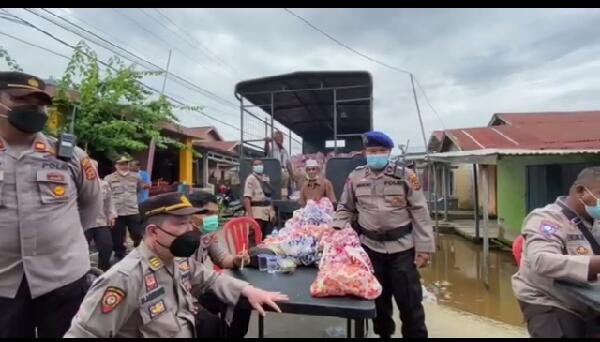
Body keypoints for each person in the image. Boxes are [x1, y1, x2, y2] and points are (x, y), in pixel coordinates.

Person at [64, 192, 288, 338]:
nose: (190, 230)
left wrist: (249, 290)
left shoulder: (178, 259)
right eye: (181, 224)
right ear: (153, 232)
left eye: (191, 222)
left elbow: (211, 278)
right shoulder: (125, 278)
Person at [0, 71, 102, 338]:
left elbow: (91, 204)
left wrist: (60, 240)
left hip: (64, 278)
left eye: (41, 103)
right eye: (22, 99)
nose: (36, 109)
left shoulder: (69, 156)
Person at [332, 130, 434, 338]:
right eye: (372, 151)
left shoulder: (405, 175)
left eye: (381, 150)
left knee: (410, 303)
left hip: (403, 249)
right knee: (378, 301)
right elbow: (345, 207)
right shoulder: (355, 177)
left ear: (388, 152)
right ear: (365, 152)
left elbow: (420, 212)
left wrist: (424, 248)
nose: (376, 154)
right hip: (370, 249)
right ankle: (383, 335)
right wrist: (337, 229)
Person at [512, 167, 600, 338]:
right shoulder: (546, 219)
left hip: (588, 297)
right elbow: (541, 261)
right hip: (550, 299)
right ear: (581, 191)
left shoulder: (595, 221)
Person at [188, 191, 253, 338]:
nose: (213, 218)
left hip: (201, 288)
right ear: (190, 214)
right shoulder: (181, 239)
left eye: (215, 213)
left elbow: (221, 259)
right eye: (207, 213)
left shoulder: (205, 235)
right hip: (184, 295)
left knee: (242, 300)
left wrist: (237, 259)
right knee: (210, 324)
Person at [105, 155, 144, 261]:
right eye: (121, 164)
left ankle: (140, 250)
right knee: (117, 236)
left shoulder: (136, 177)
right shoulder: (109, 178)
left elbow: (138, 190)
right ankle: (119, 253)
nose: (124, 166)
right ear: (116, 165)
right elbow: (107, 195)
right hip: (117, 212)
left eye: (126, 164)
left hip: (132, 210)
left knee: (137, 232)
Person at [85, 159, 117, 272]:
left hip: (101, 221)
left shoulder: (104, 184)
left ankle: (103, 271)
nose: (92, 169)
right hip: (84, 223)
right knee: (81, 250)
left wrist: (111, 215)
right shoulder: (79, 184)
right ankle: (81, 273)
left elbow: (109, 201)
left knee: (106, 247)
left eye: (94, 167)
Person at [243, 159, 275, 245]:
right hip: (256, 213)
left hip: (267, 213)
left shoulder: (265, 178)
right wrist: (250, 217)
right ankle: (253, 257)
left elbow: (269, 196)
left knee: (267, 239)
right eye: (256, 165)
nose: (259, 166)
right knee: (255, 238)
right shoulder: (251, 179)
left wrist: (272, 211)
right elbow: (247, 198)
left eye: (260, 164)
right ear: (253, 167)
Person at [264, 130, 294, 198]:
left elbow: (288, 164)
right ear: (274, 138)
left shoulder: (285, 151)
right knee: (275, 189)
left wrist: (292, 176)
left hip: (283, 171)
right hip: (274, 172)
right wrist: (266, 142)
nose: (280, 139)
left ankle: (283, 198)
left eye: (281, 137)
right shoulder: (272, 149)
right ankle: (274, 200)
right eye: (277, 137)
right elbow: (266, 152)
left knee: (284, 187)